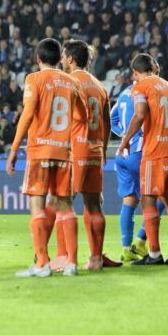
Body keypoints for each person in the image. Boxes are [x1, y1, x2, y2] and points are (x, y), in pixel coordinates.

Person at [6, 38, 87, 277]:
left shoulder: (34, 79)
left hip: (40, 151)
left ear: (38, 59)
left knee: (37, 204)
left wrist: (13, 150)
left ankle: (42, 262)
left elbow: (28, 114)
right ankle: (71, 263)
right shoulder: (71, 81)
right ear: (58, 58)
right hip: (64, 152)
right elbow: (82, 116)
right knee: (66, 206)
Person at [47, 40, 118, 272]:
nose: (62, 60)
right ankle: (96, 258)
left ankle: (63, 255)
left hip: (73, 150)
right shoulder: (100, 86)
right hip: (95, 150)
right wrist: (103, 149)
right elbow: (107, 123)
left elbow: (61, 118)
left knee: (60, 201)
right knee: (94, 204)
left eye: (65, 56)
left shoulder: (68, 82)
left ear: (71, 59)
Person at [118, 53, 168, 266]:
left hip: (155, 150)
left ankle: (155, 254)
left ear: (136, 73)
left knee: (148, 199)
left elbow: (139, 114)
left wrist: (125, 140)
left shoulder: (140, 87)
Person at [110, 61, 165, 262]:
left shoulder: (125, 93)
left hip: (121, 155)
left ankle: (126, 248)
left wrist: (124, 135)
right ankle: (141, 241)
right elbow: (145, 116)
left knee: (129, 200)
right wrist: (134, 137)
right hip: (140, 152)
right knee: (161, 196)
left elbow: (112, 119)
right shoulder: (148, 91)